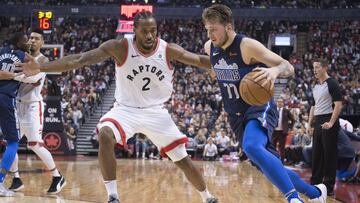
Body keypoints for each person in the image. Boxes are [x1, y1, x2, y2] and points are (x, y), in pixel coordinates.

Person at [18, 11, 218, 203]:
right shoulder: (120, 47)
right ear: (135, 30)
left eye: (153, 31)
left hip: (156, 112)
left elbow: (198, 59)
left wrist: (215, 66)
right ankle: (113, 196)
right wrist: (41, 66)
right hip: (126, 109)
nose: (150, 36)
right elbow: (79, 60)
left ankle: (207, 197)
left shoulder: (168, 49)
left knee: (183, 160)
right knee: (105, 133)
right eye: (145, 31)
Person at [202, 4, 326, 203]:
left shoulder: (246, 45)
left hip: (257, 106)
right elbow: (214, 66)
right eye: (207, 29)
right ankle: (316, 194)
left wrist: (273, 71)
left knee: (251, 146)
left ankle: (294, 199)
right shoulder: (210, 47)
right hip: (235, 114)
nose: (210, 34)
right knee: (267, 166)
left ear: (229, 27)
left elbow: (287, 66)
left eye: (214, 29)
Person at [8, 28, 66, 194]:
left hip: (34, 106)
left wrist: (10, 76)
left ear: (42, 42)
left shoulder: (43, 60)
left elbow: (33, 78)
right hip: (17, 105)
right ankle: (16, 179)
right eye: (31, 38)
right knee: (11, 143)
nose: (32, 41)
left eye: (36, 39)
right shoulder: (19, 56)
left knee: (35, 144)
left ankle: (57, 176)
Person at [0, 32, 30, 196]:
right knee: (13, 142)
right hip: (5, 99)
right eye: (26, 40)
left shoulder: (1, 51)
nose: (28, 42)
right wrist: (17, 75)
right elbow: (37, 66)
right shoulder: (21, 55)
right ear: (19, 42)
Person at [308, 58, 343, 195]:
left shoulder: (332, 83)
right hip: (318, 121)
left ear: (325, 68)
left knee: (329, 155)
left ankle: (328, 186)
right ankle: (315, 183)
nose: (314, 70)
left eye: (317, 67)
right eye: (313, 67)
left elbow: (338, 105)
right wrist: (309, 123)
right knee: (316, 154)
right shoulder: (316, 85)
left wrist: (332, 122)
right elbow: (313, 106)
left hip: (329, 119)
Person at [273, 97, 295, 162]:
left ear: (283, 103)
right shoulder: (273, 110)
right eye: (278, 102)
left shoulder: (286, 110)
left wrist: (289, 128)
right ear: (276, 103)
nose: (280, 103)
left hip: (282, 132)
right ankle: (273, 159)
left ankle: (282, 161)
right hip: (274, 132)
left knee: (282, 147)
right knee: (272, 146)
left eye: (281, 102)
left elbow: (293, 120)